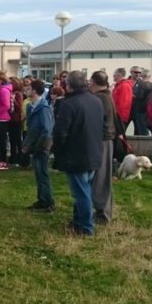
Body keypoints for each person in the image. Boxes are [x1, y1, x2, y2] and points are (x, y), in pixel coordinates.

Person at [52, 71, 104, 236]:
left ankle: (85, 226)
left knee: (81, 193)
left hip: (76, 154)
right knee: (84, 190)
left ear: (69, 85)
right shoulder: (96, 101)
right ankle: (78, 221)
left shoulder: (69, 104)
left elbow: (61, 132)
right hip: (93, 151)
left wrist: (58, 150)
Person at [22, 79, 54, 212]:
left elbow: (46, 130)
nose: (26, 90)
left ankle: (48, 202)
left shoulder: (44, 108)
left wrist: (38, 146)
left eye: (29, 88)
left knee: (42, 174)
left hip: (41, 146)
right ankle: (42, 199)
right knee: (38, 174)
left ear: (34, 91)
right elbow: (31, 128)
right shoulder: (31, 106)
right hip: (35, 145)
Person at [89, 71, 117, 223]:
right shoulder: (107, 96)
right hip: (105, 139)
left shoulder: (100, 99)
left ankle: (102, 213)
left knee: (101, 177)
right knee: (100, 176)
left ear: (93, 82)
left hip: (102, 140)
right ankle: (101, 210)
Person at [130, 67, 151, 136]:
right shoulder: (142, 83)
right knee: (139, 129)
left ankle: (144, 146)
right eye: (136, 73)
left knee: (142, 129)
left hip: (141, 110)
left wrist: (132, 95)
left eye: (140, 74)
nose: (139, 75)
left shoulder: (144, 84)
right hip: (138, 110)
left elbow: (140, 96)